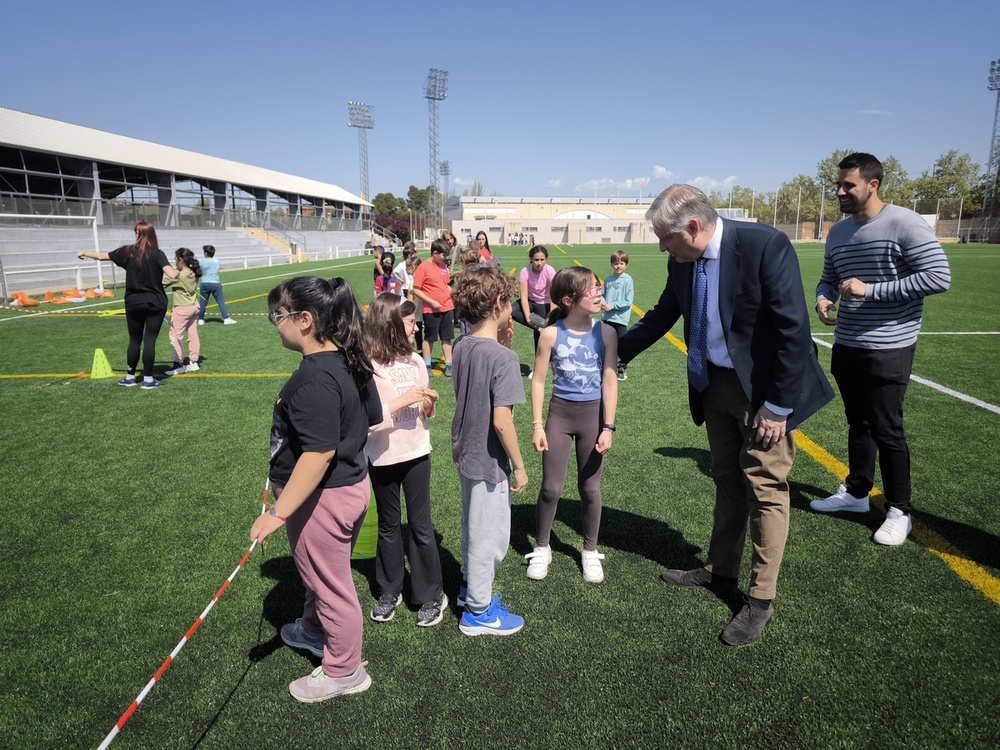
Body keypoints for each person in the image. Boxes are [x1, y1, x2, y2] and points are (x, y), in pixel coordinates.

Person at [618, 184, 833, 646]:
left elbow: (793, 330)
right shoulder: (683, 260)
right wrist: (613, 352)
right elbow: (662, 315)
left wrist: (777, 406)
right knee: (726, 478)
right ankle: (720, 570)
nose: (660, 247)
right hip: (713, 384)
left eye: (665, 237)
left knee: (765, 486)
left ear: (692, 227)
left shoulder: (763, 245)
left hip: (763, 392)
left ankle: (760, 598)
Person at [249, 276, 381, 703]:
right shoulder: (348, 359)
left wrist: (276, 513)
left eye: (279, 315)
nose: (275, 323)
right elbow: (372, 415)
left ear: (304, 320)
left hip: (324, 499)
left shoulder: (315, 380)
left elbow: (318, 454)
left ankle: (344, 671)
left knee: (331, 586)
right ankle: (312, 630)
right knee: (319, 575)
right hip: (345, 490)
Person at [812, 152, 951, 546]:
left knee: (888, 428)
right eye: (838, 184)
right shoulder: (838, 232)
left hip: (890, 345)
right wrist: (823, 300)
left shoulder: (904, 222)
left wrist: (870, 291)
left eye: (848, 185)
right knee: (858, 423)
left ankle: (899, 510)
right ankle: (857, 493)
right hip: (849, 343)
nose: (839, 191)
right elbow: (828, 279)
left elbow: (939, 277)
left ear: (872, 185)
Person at [526, 266, 618, 584]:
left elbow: (609, 380)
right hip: (559, 416)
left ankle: (590, 551)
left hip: (593, 418)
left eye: (598, 286)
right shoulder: (551, 334)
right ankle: (542, 547)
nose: (598, 292)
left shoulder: (606, 333)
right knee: (551, 488)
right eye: (591, 288)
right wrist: (538, 424)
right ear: (569, 299)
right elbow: (538, 381)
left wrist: (608, 426)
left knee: (590, 489)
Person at [450, 265, 529, 636]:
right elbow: (502, 421)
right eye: (510, 301)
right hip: (489, 460)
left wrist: (503, 345)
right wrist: (519, 466)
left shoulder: (463, 345)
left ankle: (470, 590)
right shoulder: (504, 359)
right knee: (490, 536)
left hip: (465, 452)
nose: (512, 307)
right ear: (498, 303)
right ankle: (478, 612)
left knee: (472, 526)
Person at [363, 294, 447, 627]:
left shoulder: (415, 361)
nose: (415, 327)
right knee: (388, 526)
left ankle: (430, 594)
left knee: (421, 526)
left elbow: (424, 415)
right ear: (391, 324)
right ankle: (389, 589)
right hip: (383, 456)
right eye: (410, 321)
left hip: (415, 453)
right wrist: (403, 400)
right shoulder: (368, 365)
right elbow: (367, 422)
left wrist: (428, 404)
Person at [76, 221, 179, 390]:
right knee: (150, 340)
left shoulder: (127, 251)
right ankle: (147, 380)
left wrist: (84, 253)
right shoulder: (157, 253)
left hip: (133, 302)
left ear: (137, 233)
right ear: (152, 234)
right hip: (155, 302)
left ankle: (130, 377)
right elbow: (172, 274)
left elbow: (102, 256)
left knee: (134, 340)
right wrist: (182, 268)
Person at [411, 238, 455, 377]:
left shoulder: (443, 266)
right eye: (443, 255)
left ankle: (449, 365)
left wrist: (457, 291)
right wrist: (432, 302)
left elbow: (445, 286)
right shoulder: (423, 267)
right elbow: (416, 290)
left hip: (447, 307)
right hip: (431, 310)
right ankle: (427, 364)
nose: (445, 258)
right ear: (435, 253)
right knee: (429, 338)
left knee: (447, 338)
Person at [511, 245, 556, 374]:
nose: (539, 263)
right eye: (536, 260)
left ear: (546, 259)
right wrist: (530, 320)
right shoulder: (525, 271)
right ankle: (539, 327)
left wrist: (549, 317)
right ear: (531, 259)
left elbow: (554, 298)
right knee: (511, 310)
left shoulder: (550, 271)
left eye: (542, 260)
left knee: (539, 335)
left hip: (546, 303)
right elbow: (524, 298)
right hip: (531, 302)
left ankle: (540, 365)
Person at [163, 248, 202, 375]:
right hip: (194, 307)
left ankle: (178, 363)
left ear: (181, 259)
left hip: (182, 309)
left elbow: (161, 282)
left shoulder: (180, 275)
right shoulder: (192, 272)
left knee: (175, 336)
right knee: (192, 335)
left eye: (175, 260)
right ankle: (194, 362)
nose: (174, 263)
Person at [601, 250, 635, 381]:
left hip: (621, 319)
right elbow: (603, 295)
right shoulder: (608, 279)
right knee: (606, 343)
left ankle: (622, 369)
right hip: (607, 317)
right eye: (616, 263)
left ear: (626, 264)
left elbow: (628, 301)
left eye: (621, 263)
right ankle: (608, 367)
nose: (618, 266)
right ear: (611, 264)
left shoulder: (628, 280)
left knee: (621, 344)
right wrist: (603, 303)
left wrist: (612, 305)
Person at [197, 245, 236, 325]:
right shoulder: (217, 261)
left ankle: (200, 319)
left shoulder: (202, 262)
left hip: (204, 283)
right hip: (215, 283)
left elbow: (199, 271)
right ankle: (226, 318)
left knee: (203, 302)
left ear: (205, 253)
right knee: (221, 302)